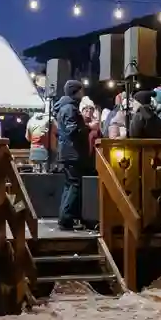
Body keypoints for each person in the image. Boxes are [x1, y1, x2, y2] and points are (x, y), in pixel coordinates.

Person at [53, 79, 87, 230]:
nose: (83, 93)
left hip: (66, 151)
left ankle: (64, 219)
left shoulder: (64, 107)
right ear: (76, 91)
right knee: (74, 184)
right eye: (81, 90)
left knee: (69, 184)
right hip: (72, 152)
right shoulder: (70, 108)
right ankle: (66, 218)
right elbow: (72, 130)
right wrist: (85, 128)